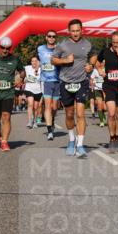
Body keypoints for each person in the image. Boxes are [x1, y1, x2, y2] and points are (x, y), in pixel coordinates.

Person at [52, 19, 96, 159]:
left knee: (81, 114)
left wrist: (91, 65)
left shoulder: (87, 44)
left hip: (82, 81)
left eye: (78, 30)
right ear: (69, 31)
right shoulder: (62, 45)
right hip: (66, 81)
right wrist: (65, 61)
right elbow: (53, 60)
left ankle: (80, 145)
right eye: (73, 31)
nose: (76, 33)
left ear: (81, 30)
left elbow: (94, 55)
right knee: (69, 114)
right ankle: (71, 140)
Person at [37, 31, 62, 140]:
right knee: (47, 105)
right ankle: (49, 131)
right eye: (50, 36)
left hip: (57, 80)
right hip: (46, 80)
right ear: (46, 37)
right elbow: (38, 60)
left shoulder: (59, 49)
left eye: (53, 36)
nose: (51, 38)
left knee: (54, 107)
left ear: (55, 38)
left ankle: (52, 121)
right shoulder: (40, 49)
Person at [24, 55, 44, 128]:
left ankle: (35, 121)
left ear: (38, 62)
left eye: (35, 61)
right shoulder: (27, 68)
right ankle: (30, 121)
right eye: (32, 61)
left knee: (36, 107)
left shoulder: (41, 69)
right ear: (31, 62)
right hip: (29, 89)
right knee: (30, 104)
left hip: (38, 90)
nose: (34, 62)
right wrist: (23, 79)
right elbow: (22, 74)